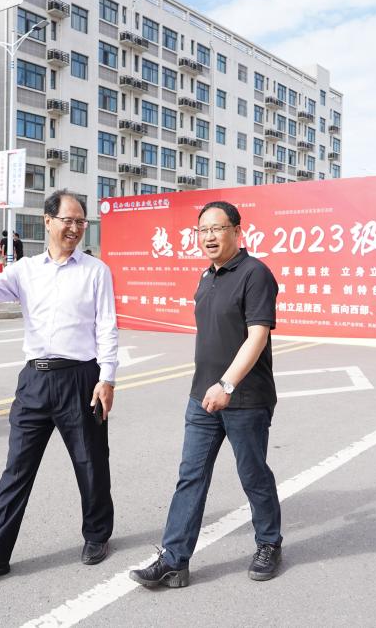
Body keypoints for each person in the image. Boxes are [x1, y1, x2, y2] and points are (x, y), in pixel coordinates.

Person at [0, 189, 118, 579]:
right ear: (47, 221)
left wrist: (107, 378)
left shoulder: (95, 271)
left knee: (90, 462)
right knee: (17, 467)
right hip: (34, 379)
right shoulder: (26, 270)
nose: (74, 228)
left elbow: (107, 327)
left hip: (80, 378)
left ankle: (97, 534)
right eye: (68, 220)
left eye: (80, 222)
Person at [129, 200, 282, 589]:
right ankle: (174, 560)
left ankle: (269, 543)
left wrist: (227, 384)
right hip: (202, 397)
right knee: (191, 476)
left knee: (253, 474)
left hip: (245, 399)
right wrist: (211, 386)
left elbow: (257, 335)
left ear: (237, 231)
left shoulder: (255, 274)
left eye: (217, 228)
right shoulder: (206, 276)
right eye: (203, 230)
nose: (209, 237)